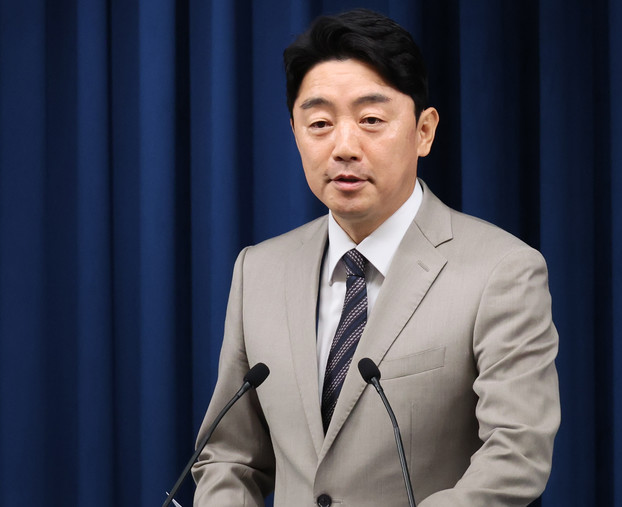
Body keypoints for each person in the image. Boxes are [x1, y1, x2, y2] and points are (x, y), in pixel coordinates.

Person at [192, 8, 560, 507]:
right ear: (295, 131)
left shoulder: (502, 271)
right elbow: (230, 456)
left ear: (424, 131)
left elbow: (516, 453)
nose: (344, 147)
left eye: (370, 120)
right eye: (320, 123)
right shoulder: (258, 271)